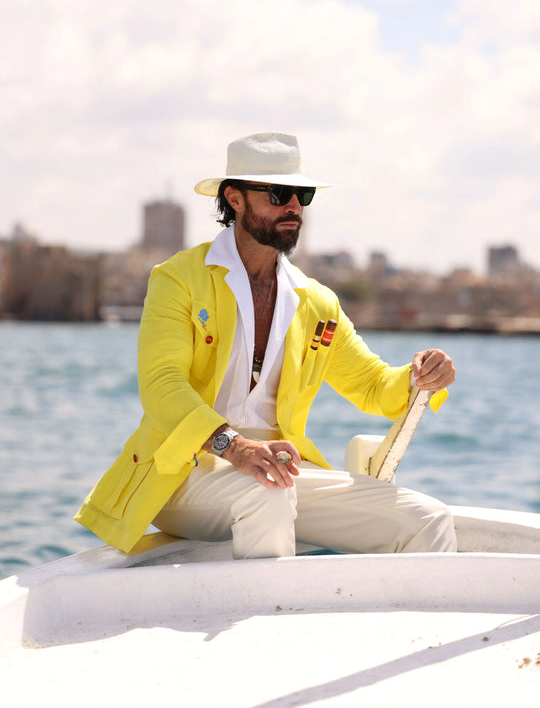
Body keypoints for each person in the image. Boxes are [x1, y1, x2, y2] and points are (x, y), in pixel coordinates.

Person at [75, 132, 457, 557]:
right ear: (235, 199)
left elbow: (371, 386)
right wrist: (234, 447)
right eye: (278, 194)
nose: (293, 207)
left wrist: (421, 375)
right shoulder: (179, 278)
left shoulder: (315, 302)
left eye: (302, 195)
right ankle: (271, 616)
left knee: (428, 519)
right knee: (269, 494)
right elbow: (161, 385)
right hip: (182, 470)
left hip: (279, 470)